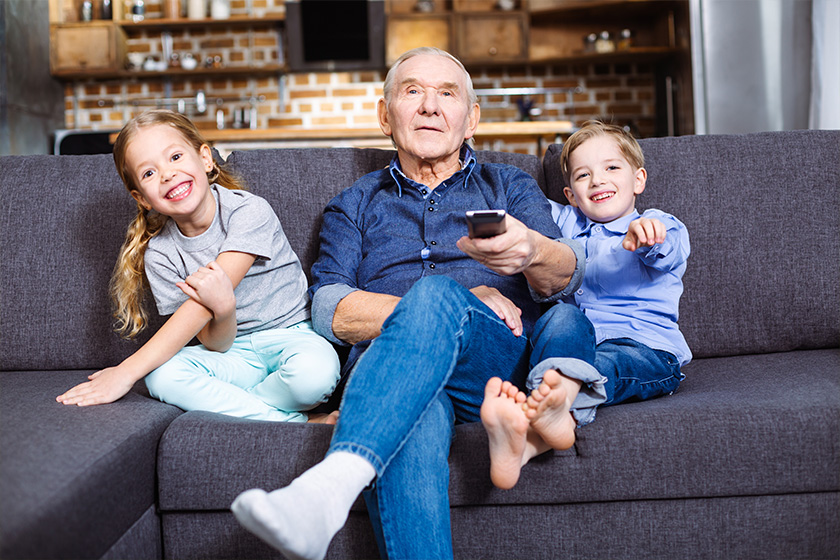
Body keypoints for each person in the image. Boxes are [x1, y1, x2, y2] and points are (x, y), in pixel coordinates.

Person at [230, 47, 599, 560]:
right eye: (412, 92)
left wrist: (532, 249)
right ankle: (335, 487)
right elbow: (327, 308)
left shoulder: (509, 185)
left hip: (492, 373)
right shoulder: (354, 203)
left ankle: (330, 487)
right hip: (394, 380)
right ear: (386, 117)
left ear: (470, 120)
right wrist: (443, 306)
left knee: (438, 296)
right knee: (418, 406)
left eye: (447, 94)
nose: (430, 106)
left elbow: (567, 278)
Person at [56, 109, 340, 424]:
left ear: (206, 159)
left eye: (175, 156)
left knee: (316, 375)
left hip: (292, 336)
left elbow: (199, 307)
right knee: (162, 377)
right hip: (233, 356)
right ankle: (297, 423)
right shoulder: (161, 255)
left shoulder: (248, 212)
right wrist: (225, 310)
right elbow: (215, 342)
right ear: (142, 198)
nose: (166, 174)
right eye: (149, 173)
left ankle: (247, 408)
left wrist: (126, 372)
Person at [481, 120, 692, 489]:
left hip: (647, 350)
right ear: (571, 194)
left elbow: (668, 248)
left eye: (611, 168)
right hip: (578, 348)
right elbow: (518, 214)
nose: (598, 180)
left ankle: (548, 407)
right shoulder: (564, 221)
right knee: (559, 317)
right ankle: (538, 429)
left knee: (608, 364)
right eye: (583, 175)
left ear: (638, 179)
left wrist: (650, 237)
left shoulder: (657, 223)